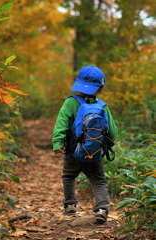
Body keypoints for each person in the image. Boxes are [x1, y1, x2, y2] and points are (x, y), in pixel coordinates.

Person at [52, 65, 118, 224]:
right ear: (101, 89)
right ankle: (102, 209)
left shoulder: (70, 103)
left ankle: (70, 205)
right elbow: (113, 132)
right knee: (100, 181)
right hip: (95, 155)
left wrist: (57, 143)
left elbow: (61, 124)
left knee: (68, 176)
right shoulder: (102, 106)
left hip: (73, 153)